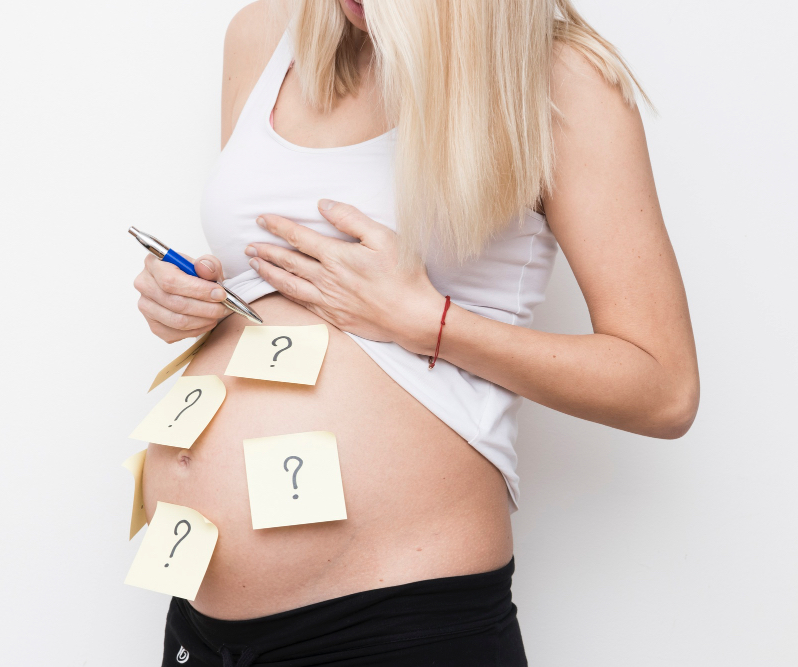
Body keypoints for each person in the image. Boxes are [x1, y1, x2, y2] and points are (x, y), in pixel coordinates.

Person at [132, 0, 700, 664]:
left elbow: (663, 388)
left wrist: (428, 323)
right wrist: (186, 300)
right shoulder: (262, 34)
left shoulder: (559, 78)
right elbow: (274, 294)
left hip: (398, 619)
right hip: (200, 620)